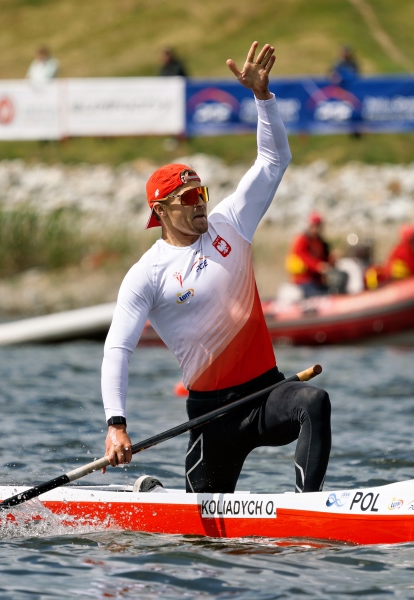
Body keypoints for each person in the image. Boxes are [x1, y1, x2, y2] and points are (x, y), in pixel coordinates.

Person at [101, 41, 331, 495]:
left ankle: (313, 508)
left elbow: (273, 161)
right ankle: (157, 497)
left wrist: (263, 99)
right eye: (187, 199)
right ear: (160, 211)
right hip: (212, 414)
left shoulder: (232, 222)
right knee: (199, 538)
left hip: (267, 394)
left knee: (314, 402)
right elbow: (117, 350)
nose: (200, 204)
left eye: (201, 193)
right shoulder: (147, 274)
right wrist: (116, 425)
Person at [287, 212, 334, 297]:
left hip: (318, 281)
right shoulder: (302, 240)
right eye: (315, 226)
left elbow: (325, 257)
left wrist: (331, 261)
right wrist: (317, 266)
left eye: (318, 226)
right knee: (318, 294)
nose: (316, 228)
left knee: (332, 291)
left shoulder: (320, 242)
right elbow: (303, 257)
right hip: (303, 280)